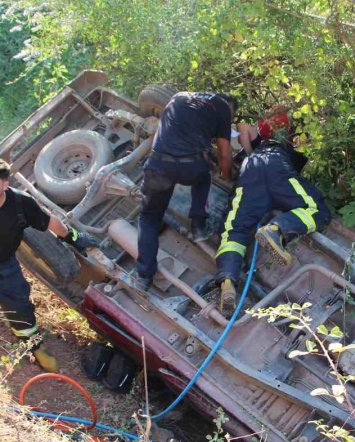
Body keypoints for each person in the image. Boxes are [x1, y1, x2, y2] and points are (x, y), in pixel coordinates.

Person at [0, 157, 98, 370]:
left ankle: (34, 348)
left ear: (5, 184)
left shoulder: (20, 203)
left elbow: (49, 221)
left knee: (21, 310)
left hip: (5, 267)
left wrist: (73, 237)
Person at [215, 108, 331, 317]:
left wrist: (246, 155)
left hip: (249, 172)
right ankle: (277, 230)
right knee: (317, 209)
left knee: (234, 232)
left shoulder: (258, 137)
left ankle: (227, 281)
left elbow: (243, 129)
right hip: (277, 166)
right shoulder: (290, 136)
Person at [133, 91, 237, 294]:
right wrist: (226, 175)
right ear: (231, 106)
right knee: (204, 176)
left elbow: (162, 132)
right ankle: (198, 224)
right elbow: (225, 153)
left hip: (159, 166)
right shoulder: (223, 108)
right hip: (192, 167)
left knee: (148, 218)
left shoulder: (178, 97)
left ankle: (143, 278)